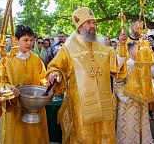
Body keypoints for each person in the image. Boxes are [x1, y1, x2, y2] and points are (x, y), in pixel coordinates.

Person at [46, 7, 128, 143]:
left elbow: (116, 66)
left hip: (103, 104)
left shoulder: (102, 47)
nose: (92, 26)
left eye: (94, 23)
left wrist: (122, 45)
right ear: (79, 26)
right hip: (81, 106)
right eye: (88, 23)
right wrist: (55, 74)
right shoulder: (69, 47)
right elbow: (56, 66)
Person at [0, 25, 49, 144]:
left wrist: (49, 84)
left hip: (35, 108)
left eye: (31, 40)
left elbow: (43, 79)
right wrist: (9, 89)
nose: (29, 43)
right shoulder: (7, 59)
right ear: (16, 40)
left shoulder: (36, 59)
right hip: (15, 107)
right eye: (25, 40)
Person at [113, 41, 154, 143]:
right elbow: (117, 82)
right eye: (138, 48)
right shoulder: (125, 66)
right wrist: (127, 97)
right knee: (129, 130)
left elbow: (147, 81)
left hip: (141, 103)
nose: (141, 50)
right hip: (128, 104)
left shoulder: (143, 66)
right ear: (130, 51)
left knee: (142, 128)